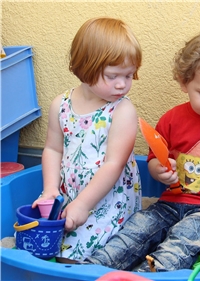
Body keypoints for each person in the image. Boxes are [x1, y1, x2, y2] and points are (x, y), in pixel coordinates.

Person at [84, 30, 200, 271]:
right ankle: (94, 267)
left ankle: (154, 272)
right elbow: (155, 159)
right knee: (139, 227)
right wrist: (159, 171)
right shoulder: (172, 119)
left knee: (187, 235)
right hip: (173, 202)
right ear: (184, 83)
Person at [32, 17, 143, 260]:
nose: (122, 85)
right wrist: (50, 189)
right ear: (85, 67)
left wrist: (83, 204)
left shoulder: (122, 111)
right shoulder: (60, 105)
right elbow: (52, 150)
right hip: (71, 194)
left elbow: (114, 164)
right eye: (113, 75)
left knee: (78, 254)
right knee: (40, 237)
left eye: (129, 75)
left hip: (110, 201)